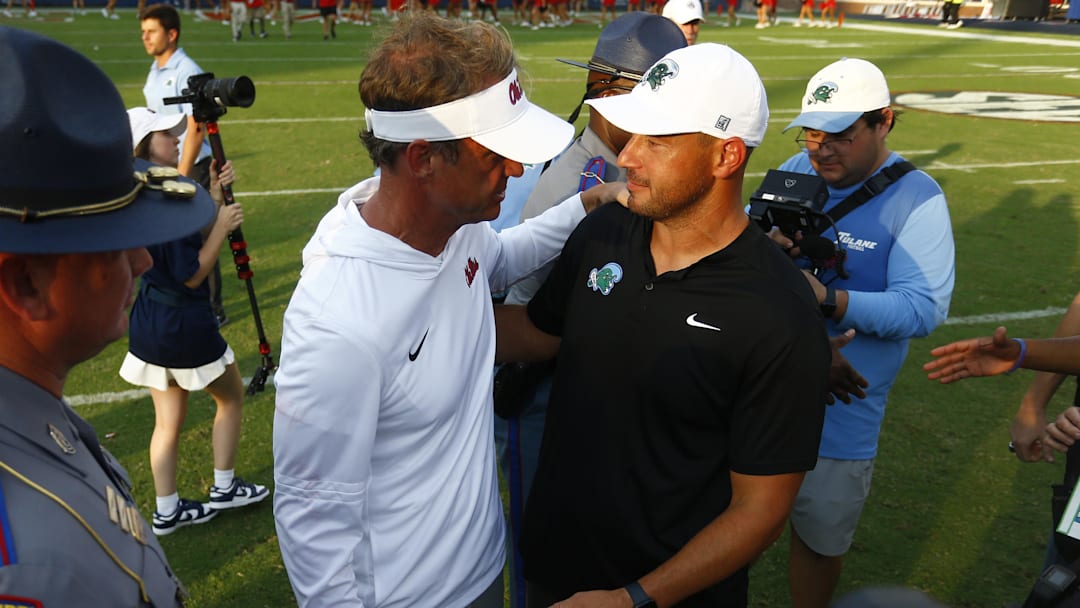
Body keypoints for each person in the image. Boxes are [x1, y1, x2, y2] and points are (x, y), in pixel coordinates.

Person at [271, 13, 627, 607]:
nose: (516, 171)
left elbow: (503, 257)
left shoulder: (454, 226)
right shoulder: (339, 322)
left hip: (483, 565)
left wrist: (589, 202)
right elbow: (313, 517)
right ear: (422, 159)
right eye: (497, 155)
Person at [498, 43, 831, 608]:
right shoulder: (605, 232)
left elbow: (761, 509)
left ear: (726, 157)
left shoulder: (777, 308)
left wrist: (632, 599)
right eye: (633, 134)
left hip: (667, 594)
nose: (628, 156)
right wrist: (414, 315)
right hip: (555, 566)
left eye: (657, 140)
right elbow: (536, 330)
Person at [0, 25, 216, 605]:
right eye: (114, 243)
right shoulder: (31, 563)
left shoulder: (31, 409)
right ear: (26, 283)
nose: (143, 259)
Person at [493, 13, 687, 608]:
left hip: (587, 390)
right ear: (604, 91)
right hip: (540, 394)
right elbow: (522, 314)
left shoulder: (618, 165)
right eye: (648, 97)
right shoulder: (580, 175)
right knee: (542, 546)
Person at [766, 57, 955, 608]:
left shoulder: (919, 197)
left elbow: (922, 309)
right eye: (812, 133)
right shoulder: (793, 168)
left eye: (841, 136)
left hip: (843, 416)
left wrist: (828, 298)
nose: (819, 148)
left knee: (819, 541)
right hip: (760, 392)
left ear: (884, 122)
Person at [119, 107, 269, 536]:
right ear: (146, 145)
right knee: (232, 395)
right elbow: (193, 273)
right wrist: (222, 225)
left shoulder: (142, 191)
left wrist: (215, 197)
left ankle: (166, 510)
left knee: (167, 422)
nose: (178, 141)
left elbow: (187, 238)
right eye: (168, 136)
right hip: (184, 322)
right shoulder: (166, 197)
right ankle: (224, 486)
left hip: (149, 320)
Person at [141, 4, 229, 327]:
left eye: (151, 32)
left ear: (172, 33)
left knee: (201, 237)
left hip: (191, 164)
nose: (145, 38)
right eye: (143, 32)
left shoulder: (185, 69)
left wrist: (181, 173)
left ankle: (213, 307)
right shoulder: (156, 68)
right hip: (168, 163)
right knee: (178, 239)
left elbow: (196, 126)